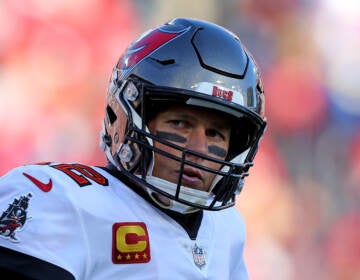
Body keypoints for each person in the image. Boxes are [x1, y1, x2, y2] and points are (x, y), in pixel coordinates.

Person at [0, 18, 266, 279]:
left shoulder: (226, 229)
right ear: (126, 117)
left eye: (215, 134)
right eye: (180, 123)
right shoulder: (57, 198)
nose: (199, 148)